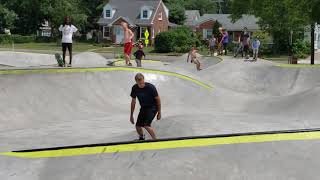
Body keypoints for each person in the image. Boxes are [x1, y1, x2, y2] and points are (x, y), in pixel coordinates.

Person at [130, 73, 162, 140]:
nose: (141, 85)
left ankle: (155, 140)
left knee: (146, 125)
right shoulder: (134, 88)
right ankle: (142, 138)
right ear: (136, 82)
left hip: (153, 107)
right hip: (144, 108)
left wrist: (159, 112)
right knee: (138, 126)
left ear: (143, 80)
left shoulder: (151, 87)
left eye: (142, 83)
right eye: (139, 84)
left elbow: (158, 99)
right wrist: (131, 115)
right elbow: (133, 101)